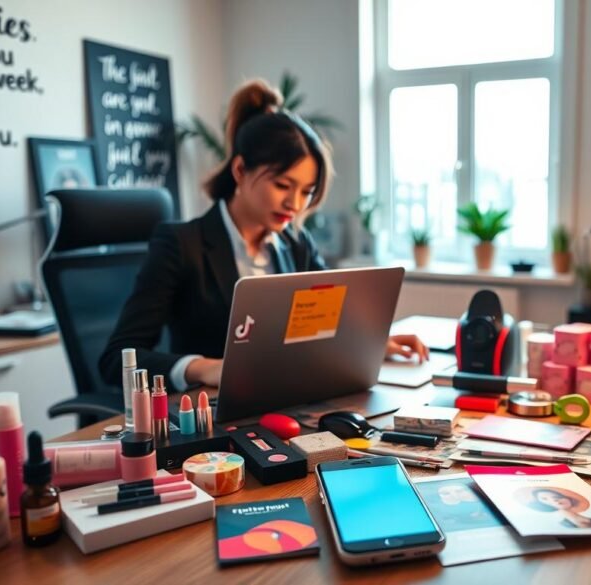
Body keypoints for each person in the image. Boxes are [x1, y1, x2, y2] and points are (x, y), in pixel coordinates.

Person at [99, 80, 427, 392]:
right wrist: (204, 368)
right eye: (283, 185)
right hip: (210, 418)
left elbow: (330, 327)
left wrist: (371, 344)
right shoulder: (181, 245)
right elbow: (117, 360)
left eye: (306, 192)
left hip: (286, 403)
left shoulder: (297, 245)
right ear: (240, 170)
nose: (294, 205)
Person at [524, 488, 591, 529]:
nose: (554, 500)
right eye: (545, 499)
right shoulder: (559, 524)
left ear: (569, 498)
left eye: (556, 496)